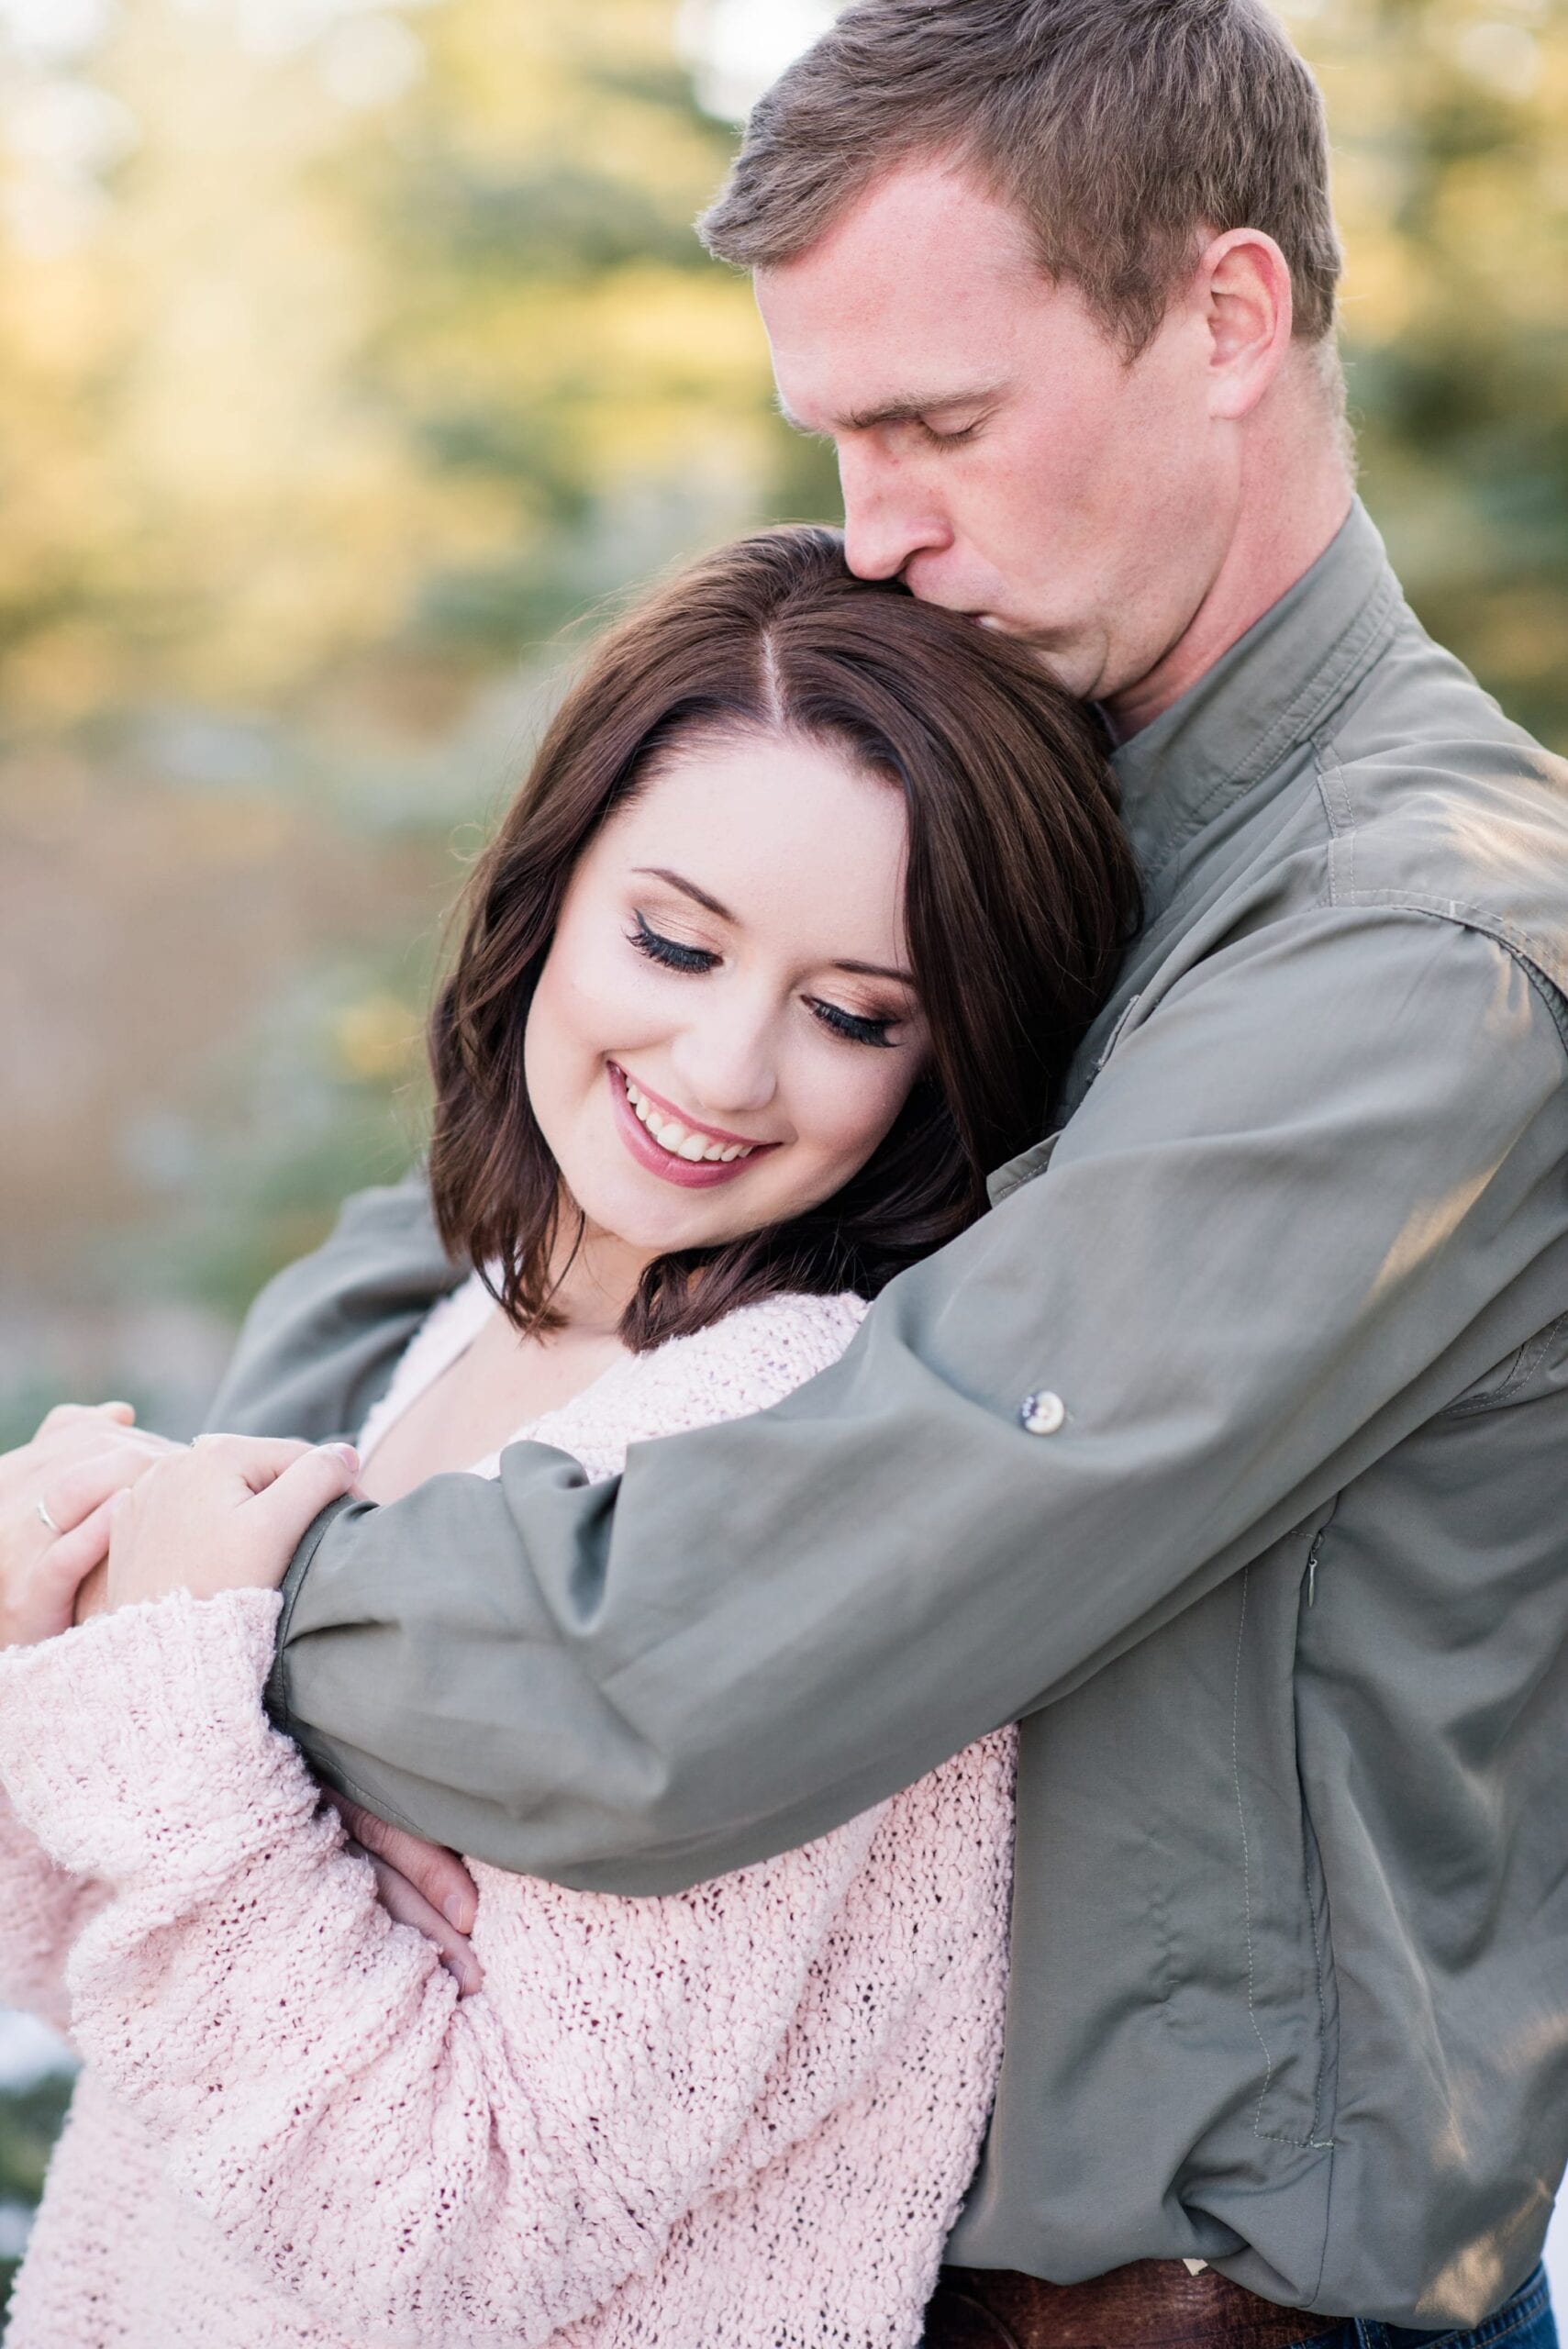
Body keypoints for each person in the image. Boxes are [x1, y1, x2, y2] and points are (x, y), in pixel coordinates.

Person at [7, 0, 1568, 2341]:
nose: (879, 530)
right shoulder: (1010, 747)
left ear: (1228, 319)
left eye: (940, 422)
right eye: (834, 439)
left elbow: (688, 1665)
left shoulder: (1411, 949)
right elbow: (449, 1257)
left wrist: (198, 1612)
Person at [0, 529, 1138, 2349]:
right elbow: (134, 1978)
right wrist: (49, 1635)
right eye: (675, 939)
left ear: (946, 1055)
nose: (723, 1064)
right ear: (550, 889)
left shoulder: (783, 1445)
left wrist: (169, 1699)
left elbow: (464, 2232)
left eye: (855, 1010)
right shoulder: (492, 1314)